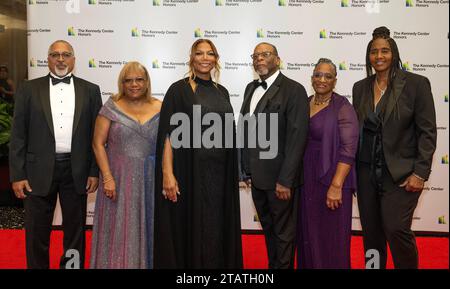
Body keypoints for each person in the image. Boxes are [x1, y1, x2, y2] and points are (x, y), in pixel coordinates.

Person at [9, 40, 102, 269]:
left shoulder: (90, 90)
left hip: (77, 170)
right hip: (36, 171)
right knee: (36, 231)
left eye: (66, 54)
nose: (60, 59)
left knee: (75, 232)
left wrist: (93, 171)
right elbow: (18, 134)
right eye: (55, 54)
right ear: (48, 59)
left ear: (73, 59)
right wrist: (17, 174)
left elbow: (96, 136)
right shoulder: (28, 89)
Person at [352, 26, 437, 269]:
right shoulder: (360, 87)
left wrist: (420, 173)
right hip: (366, 173)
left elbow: (427, 132)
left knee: (396, 228)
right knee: (371, 234)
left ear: (394, 53)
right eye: (374, 52)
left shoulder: (416, 84)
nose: (379, 56)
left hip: (401, 174)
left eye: (385, 51)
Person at [154, 39, 243, 268]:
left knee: (216, 227)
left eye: (210, 53)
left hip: (220, 175)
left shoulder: (221, 91)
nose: (205, 58)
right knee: (193, 227)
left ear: (216, 59)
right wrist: (167, 173)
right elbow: (168, 134)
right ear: (191, 58)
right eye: (199, 53)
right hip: (190, 173)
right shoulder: (179, 90)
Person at [239, 42, 309, 269]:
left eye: (265, 54)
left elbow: (297, 139)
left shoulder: (294, 90)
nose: (259, 58)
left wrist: (285, 180)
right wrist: (245, 169)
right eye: (256, 55)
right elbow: (244, 129)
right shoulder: (251, 88)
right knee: (269, 232)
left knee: (284, 236)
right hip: (257, 179)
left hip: (281, 182)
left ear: (277, 60)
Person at [90, 62, 161, 269]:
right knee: (119, 227)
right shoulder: (111, 106)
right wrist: (108, 177)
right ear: (122, 83)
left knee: (149, 224)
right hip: (118, 178)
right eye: (128, 80)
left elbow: (169, 142)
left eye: (139, 79)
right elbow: (97, 144)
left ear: (147, 82)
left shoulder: (160, 106)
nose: (134, 84)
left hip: (150, 178)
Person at [296, 58, 359, 269]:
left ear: (335, 80)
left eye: (328, 76)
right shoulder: (304, 102)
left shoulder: (342, 106)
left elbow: (349, 149)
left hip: (333, 175)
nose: (322, 79)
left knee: (331, 237)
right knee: (309, 232)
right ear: (311, 77)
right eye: (317, 75)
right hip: (307, 177)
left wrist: (336, 185)